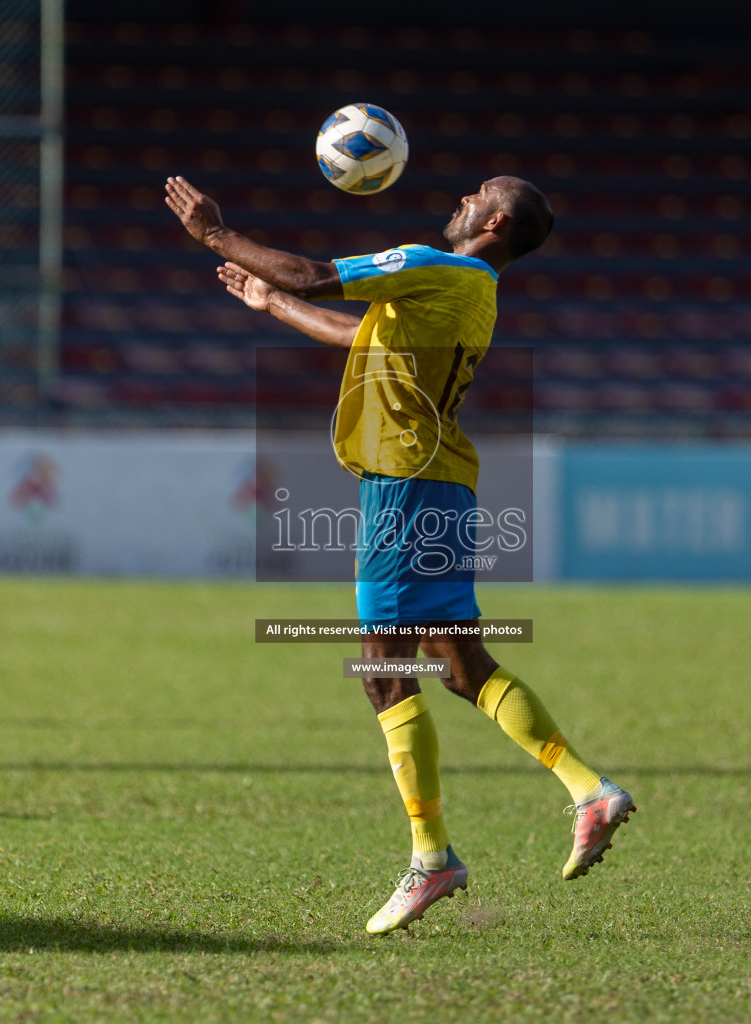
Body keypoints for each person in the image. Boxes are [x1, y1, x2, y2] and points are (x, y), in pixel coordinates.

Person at [163, 174, 634, 934]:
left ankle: (433, 857)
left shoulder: (436, 265)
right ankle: (589, 790)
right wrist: (269, 303)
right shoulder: (470, 291)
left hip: (406, 490)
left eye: (479, 192)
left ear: (497, 219)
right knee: (458, 666)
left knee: (384, 675)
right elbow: (357, 335)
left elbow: (317, 273)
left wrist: (217, 234)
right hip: (439, 483)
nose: (462, 196)